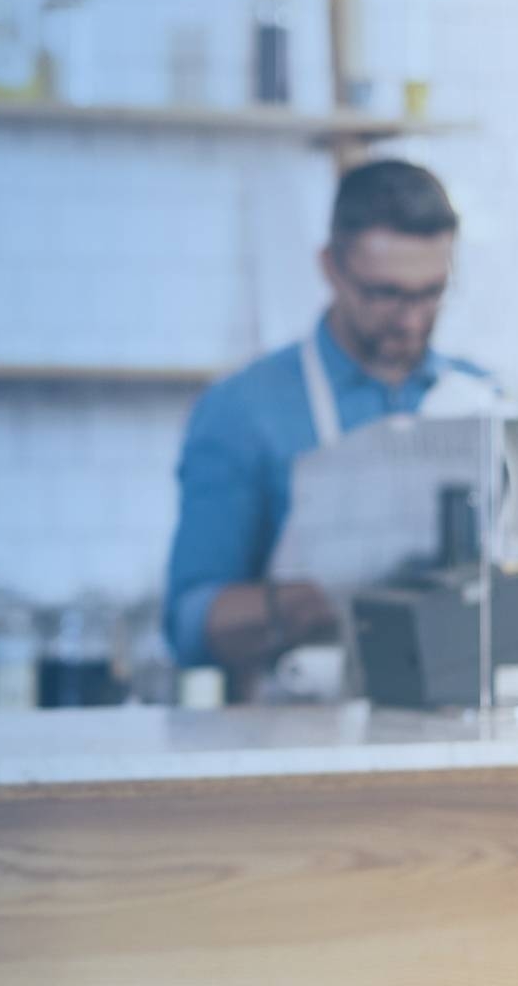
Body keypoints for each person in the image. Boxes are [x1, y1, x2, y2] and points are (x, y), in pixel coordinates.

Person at [163, 159, 493, 700]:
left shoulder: (480, 400)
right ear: (331, 269)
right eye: (386, 294)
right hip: (295, 737)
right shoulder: (243, 410)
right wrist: (294, 608)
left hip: (452, 722)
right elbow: (189, 625)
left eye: (430, 293)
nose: (411, 320)